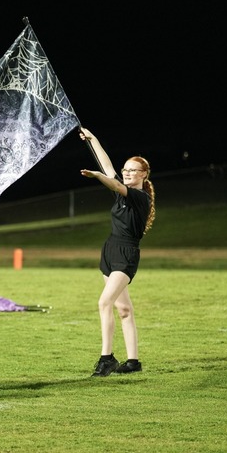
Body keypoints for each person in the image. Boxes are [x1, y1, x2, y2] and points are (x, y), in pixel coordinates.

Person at [79, 128, 156, 377]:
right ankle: (133, 362)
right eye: (126, 169)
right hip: (109, 251)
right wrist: (94, 140)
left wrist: (98, 176)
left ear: (144, 174)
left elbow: (110, 179)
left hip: (126, 254)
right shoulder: (123, 190)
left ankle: (107, 358)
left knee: (104, 302)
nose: (127, 173)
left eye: (133, 170)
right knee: (124, 310)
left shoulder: (140, 197)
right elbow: (109, 167)